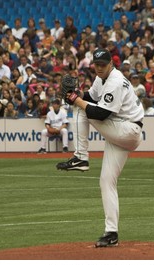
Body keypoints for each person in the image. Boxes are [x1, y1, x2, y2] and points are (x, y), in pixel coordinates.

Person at [56, 48, 144, 247]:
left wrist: (76, 99)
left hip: (128, 129)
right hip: (120, 131)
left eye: (103, 64)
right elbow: (92, 97)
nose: (100, 68)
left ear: (111, 64)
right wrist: (77, 94)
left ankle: (80, 156)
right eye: (97, 65)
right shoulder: (100, 77)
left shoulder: (114, 80)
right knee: (106, 181)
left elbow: (100, 113)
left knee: (81, 108)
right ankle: (111, 233)